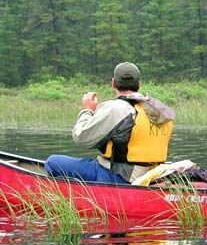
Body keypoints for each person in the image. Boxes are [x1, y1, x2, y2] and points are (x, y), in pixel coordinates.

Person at [45, 62, 175, 184]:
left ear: (113, 83)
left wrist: (88, 110)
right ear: (139, 84)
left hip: (118, 177)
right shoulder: (159, 110)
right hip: (151, 177)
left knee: (52, 162)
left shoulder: (116, 108)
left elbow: (81, 137)